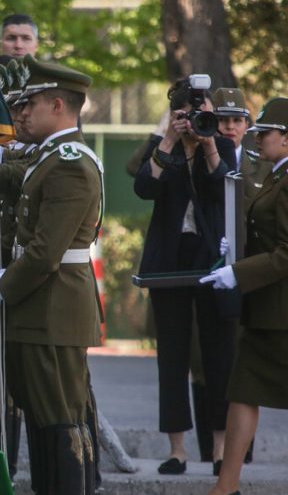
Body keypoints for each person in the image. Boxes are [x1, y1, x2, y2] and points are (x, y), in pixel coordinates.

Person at [0, 57, 102, 495]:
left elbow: (45, 254)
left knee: (61, 424)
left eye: (33, 103)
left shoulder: (68, 162)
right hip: (43, 309)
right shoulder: (48, 158)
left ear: (58, 105)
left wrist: (2, 285)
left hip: (55, 310)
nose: (23, 113)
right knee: (46, 423)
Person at [134, 77, 238, 476]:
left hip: (212, 263)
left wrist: (209, 142)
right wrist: (168, 141)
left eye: (205, 112)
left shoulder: (222, 144)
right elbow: (145, 187)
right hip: (170, 265)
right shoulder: (164, 149)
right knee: (172, 358)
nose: (198, 119)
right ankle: (177, 449)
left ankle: (219, 450)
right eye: (190, 114)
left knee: (219, 357)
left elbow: (224, 187)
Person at [203, 97, 288, 495]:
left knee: (245, 393)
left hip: (282, 311)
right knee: (242, 393)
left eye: (265, 133)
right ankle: (226, 485)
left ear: (286, 139)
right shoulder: (275, 176)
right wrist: (234, 250)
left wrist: (238, 273)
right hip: (264, 309)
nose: (259, 141)